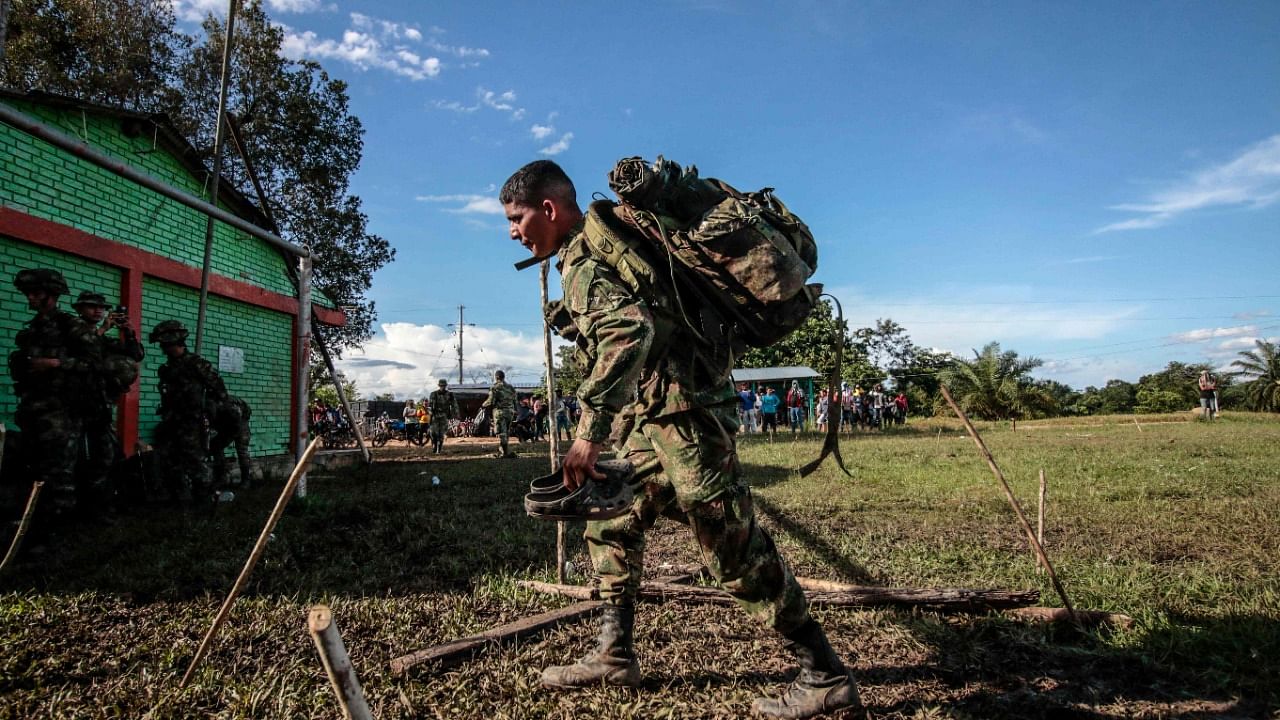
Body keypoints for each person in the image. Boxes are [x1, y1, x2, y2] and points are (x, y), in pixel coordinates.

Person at [501, 160, 860, 718]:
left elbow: (628, 331)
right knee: (612, 518)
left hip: (686, 416)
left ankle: (823, 673)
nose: (513, 232)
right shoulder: (604, 243)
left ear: (549, 209)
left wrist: (588, 435)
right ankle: (614, 655)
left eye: (517, 218)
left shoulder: (585, 260)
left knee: (729, 542)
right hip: (661, 416)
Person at [8, 269, 102, 524]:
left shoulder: (71, 326)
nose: (30, 298)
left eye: (36, 293)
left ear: (52, 295)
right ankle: (33, 523)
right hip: (33, 408)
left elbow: (95, 364)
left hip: (62, 410)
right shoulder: (33, 329)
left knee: (59, 472)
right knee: (33, 467)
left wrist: (56, 363)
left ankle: (56, 529)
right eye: (28, 293)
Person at [72, 291, 143, 507]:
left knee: (105, 455)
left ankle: (100, 505)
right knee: (73, 456)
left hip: (99, 405)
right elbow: (83, 349)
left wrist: (129, 333)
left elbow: (135, 355)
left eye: (101, 308)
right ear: (80, 309)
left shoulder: (103, 339)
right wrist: (103, 329)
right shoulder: (73, 330)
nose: (98, 311)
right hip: (73, 404)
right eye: (92, 306)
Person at [149, 319, 228, 504]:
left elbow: (219, 391)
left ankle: (206, 500)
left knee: (196, 461)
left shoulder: (196, 364)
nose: (162, 348)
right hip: (172, 420)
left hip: (192, 421)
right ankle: (181, 499)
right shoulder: (167, 368)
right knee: (172, 460)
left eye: (165, 344)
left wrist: (209, 412)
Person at [209, 394, 253, 489]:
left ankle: (246, 480)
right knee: (216, 446)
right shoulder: (207, 404)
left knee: (242, 451)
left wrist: (227, 433)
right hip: (228, 425)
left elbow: (237, 423)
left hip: (240, 424)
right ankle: (221, 478)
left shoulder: (229, 407)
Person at [482, 369, 519, 457]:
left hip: (500, 412)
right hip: (510, 412)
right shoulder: (510, 387)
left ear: (496, 377)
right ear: (504, 377)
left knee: (501, 433)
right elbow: (515, 400)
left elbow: (491, 400)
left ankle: (504, 453)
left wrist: (483, 405)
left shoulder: (495, 388)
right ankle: (503, 450)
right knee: (506, 432)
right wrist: (515, 410)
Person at [427, 378, 458, 453]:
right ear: (439, 386)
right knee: (432, 433)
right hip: (435, 415)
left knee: (441, 433)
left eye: (444, 386)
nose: (442, 387)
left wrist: (456, 415)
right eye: (441, 385)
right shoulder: (433, 394)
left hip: (444, 415)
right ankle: (434, 444)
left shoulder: (450, 395)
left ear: (445, 386)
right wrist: (430, 415)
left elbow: (455, 405)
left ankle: (439, 449)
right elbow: (430, 406)